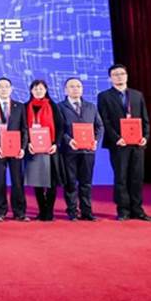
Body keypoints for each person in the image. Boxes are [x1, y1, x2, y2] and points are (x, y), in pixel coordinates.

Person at [97, 64, 151, 221]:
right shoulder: (104, 96)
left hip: (137, 143)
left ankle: (138, 210)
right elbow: (105, 121)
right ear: (110, 78)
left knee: (137, 177)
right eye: (115, 74)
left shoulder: (137, 95)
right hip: (118, 144)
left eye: (122, 73)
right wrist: (117, 138)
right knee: (121, 177)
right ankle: (123, 210)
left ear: (127, 76)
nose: (119, 76)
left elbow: (145, 118)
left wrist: (145, 136)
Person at [0, 77, 29, 222]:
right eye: (0, 86)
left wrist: (23, 147)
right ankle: (0, 211)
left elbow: (24, 129)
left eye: (6, 86)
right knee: (0, 181)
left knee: (17, 181)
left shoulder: (19, 106)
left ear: (11, 89)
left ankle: (19, 212)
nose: (3, 89)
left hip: (16, 150)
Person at [59, 77, 103, 221]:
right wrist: (69, 140)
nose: (75, 89)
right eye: (72, 86)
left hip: (88, 151)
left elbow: (99, 126)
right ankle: (72, 211)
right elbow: (59, 129)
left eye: (78, 86)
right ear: (65, 90)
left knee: (86, 183)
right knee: (70, 183)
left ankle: (87, 211)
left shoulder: (91, 106)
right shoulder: (60, 107)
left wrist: (95, 140)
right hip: (69, 151)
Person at [24, 79, 65, 221]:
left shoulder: (53, 106)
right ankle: (41, 210)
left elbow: (60, 127)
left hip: (50, 149)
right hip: (33, 149)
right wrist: (27, 143)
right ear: (31, 91)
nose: (38, 91)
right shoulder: (25, 107)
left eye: (41, 88)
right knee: (37, 182)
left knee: (51, 182)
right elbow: (23, 128)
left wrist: (56, 144)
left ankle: (49, 211)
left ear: (46, 90)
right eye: (35, 89)